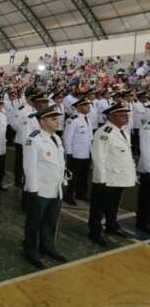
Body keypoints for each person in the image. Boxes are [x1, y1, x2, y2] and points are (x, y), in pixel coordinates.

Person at [23, 105, 67, 269]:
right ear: (43, 121)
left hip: (55, 189)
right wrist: (33, 189)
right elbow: (30, 166)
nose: (57, 122)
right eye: (54, 119)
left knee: (50, 221)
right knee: (34, 222)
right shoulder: (33, 139)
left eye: (57, 118)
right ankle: (30, 250)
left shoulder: (56, 138)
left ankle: (47, 246)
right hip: (40, 189)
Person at [88, 102, 137, 246]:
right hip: (107, 178)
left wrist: (131, 174)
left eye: (126, 114)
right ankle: (95, 232)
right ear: (111, 117)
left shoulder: (124, 132)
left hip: (119, 177)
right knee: (99, 207)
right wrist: (100, 181)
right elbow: (98, 158)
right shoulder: (103, 133)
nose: (126, 117)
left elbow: (126, 155)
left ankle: (112, 226)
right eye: (121, 115)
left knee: (113, 205)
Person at [62, 97, 93, 205]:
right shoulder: (73, 119)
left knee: (83, 177)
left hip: (86, 153)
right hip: (75, 154)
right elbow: (67, 138)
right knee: (72, 177)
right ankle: (68, 196)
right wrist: (69, 153)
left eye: (88, 105)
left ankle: (81, 194)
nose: (88, 107)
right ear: (78, 107)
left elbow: (89, 138)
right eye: (86, 105)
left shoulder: (87, 118)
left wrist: (91, 152)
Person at [137, 116, 150, 232]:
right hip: (148, 169)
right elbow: (145, 151)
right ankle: (142, 222)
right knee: (146, 198)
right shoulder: (147, 128)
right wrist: (148, 169)